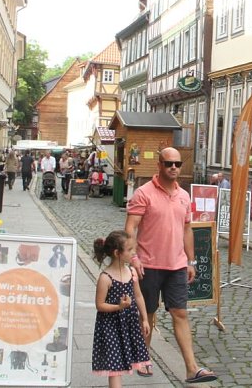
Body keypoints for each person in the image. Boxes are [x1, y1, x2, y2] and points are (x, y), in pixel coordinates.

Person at [125, 147, 217, 383]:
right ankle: (143, 358)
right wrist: (133, 258)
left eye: (177, 164)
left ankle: (191, 368)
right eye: (169, 164)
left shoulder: (184, 196)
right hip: (148, 264)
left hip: (176, 265)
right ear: (160, 165)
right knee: (148, 313)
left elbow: (187, 229)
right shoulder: (143, 193)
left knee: (181, 312)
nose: (174, 167)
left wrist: (191, 260)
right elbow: (131, 228)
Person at [92, 230, 152, 386]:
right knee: (115, 367)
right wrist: (119, 306)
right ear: (117, 253)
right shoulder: (105, 277)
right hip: (110, 326)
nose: (134, 253)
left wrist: (145, 319)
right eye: (130, 250)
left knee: (122, 362)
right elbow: (99, 305)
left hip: (128, 324)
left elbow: (138, 296)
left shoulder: (131, 271)